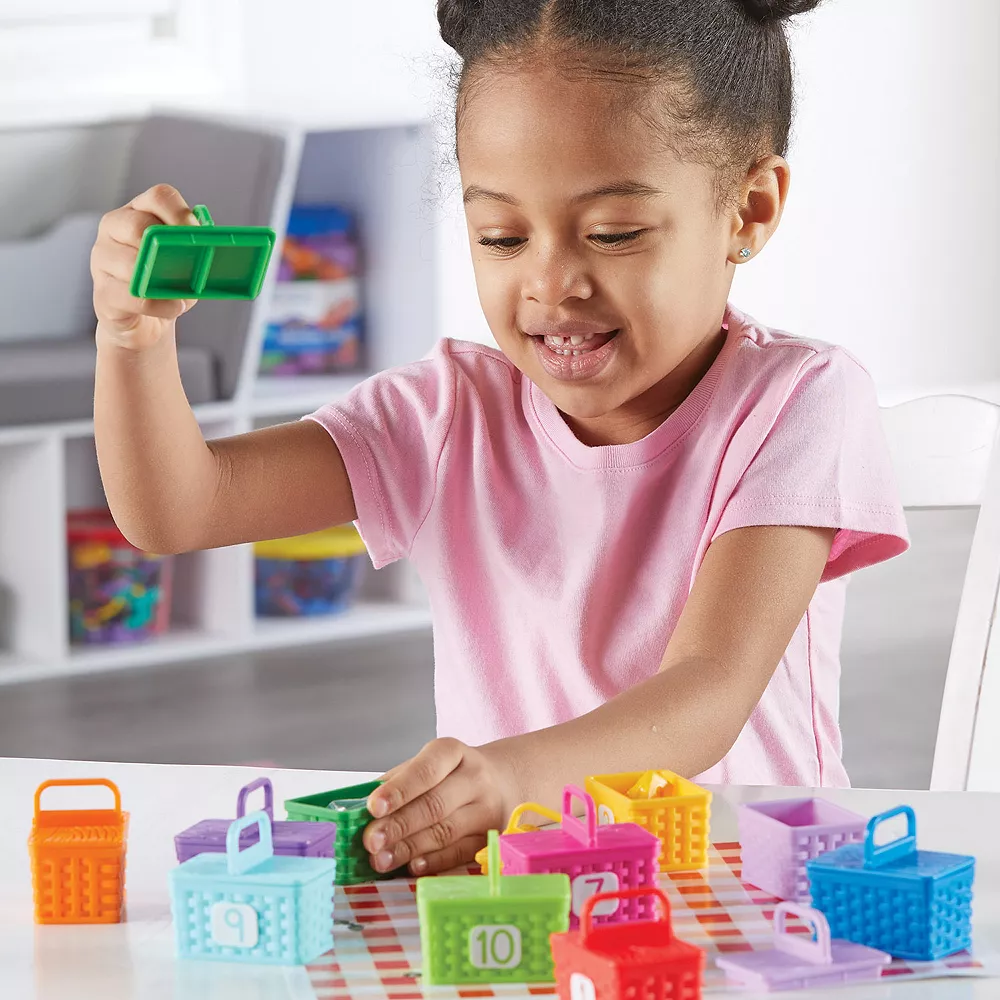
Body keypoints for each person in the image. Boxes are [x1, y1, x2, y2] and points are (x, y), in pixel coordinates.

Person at [90, 0, 908, 877]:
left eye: (613, 234)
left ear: (749, 208)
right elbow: (176, 510)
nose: (550, 282)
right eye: (503, 236)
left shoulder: (799, 400)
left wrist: (510, 778)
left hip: (751, 883)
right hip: (515, 890)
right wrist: (132, 340)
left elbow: (707, 693)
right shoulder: (447, 416)